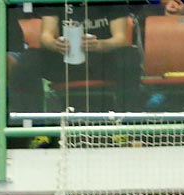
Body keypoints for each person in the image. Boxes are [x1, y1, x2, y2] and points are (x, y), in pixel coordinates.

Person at [10, 4, 141, 114]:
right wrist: (56, 45)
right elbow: (45, 36)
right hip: (66, 60)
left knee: (129, 57)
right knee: (30, 59)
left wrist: (100, 44)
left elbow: (121, 38)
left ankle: (128, 127)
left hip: (102, 59)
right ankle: (32, 128)